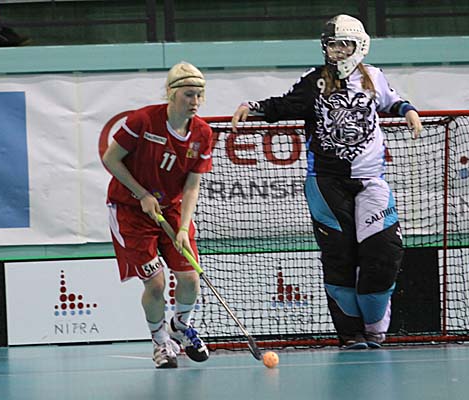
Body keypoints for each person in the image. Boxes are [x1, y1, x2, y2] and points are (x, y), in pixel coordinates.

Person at [231, 15, 422, 350]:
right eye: (332, 45)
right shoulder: (315, 80)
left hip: (371, 180)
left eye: (344, 45)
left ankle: (375, 329)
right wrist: (254, 107)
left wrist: (409, 111)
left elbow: (392, 101)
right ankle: (350, 333)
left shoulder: (374, 77)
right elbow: (286, 104)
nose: (337, 51)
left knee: (383, 253)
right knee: (339, 258)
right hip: (326, 184)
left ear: (359, 46)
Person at [102, 61, 212, 368]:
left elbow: (192, 185)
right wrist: (142, 194)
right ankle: (161, 341)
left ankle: (180, 325)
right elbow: (111, 159)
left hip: (172, 210)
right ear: (171, 93)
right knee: (156, 284)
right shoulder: (143, 121)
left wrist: (183, 228)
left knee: (189, 278)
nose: (195, 101)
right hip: (130, 211)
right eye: (189, 94)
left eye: (200, 95)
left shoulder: (202, 133)